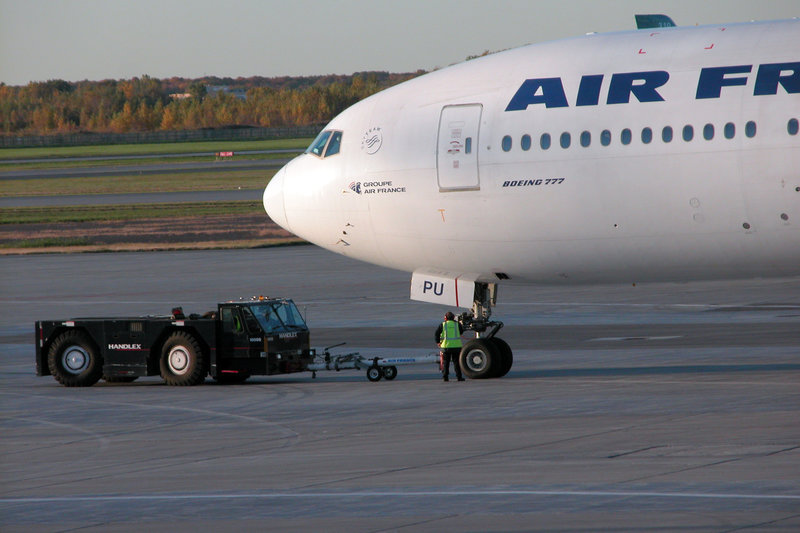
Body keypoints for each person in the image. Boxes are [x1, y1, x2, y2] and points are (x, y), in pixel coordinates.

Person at [435, 311, 465, 381]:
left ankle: (445, 377)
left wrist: (438, 342)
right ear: (454, 317)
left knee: (446, 363)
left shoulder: (443, 325)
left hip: (446, 347)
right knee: (456, 362)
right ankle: (459, 377)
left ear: (445, 318)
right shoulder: (457, 324)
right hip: (456, 346)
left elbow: (436, 334)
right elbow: (461, 331)